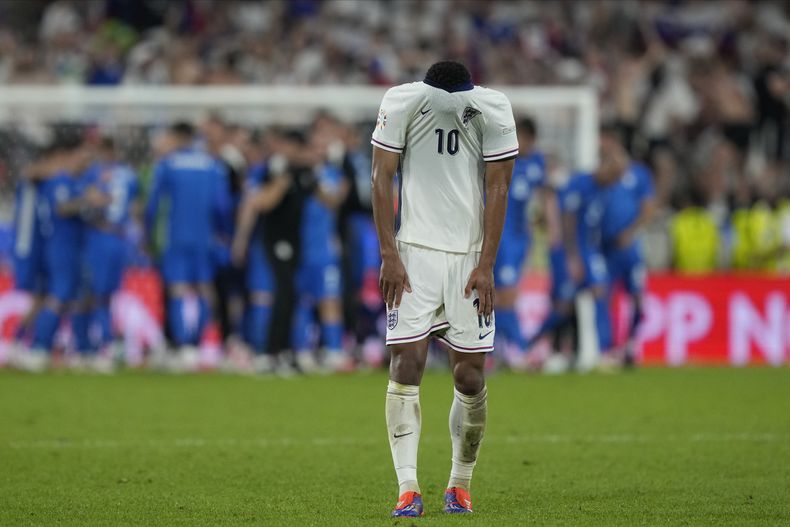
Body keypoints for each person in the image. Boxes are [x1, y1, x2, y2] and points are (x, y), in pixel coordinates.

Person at [371, 61, 517, 516]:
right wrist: (390, 254)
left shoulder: (492, 107)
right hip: (414, 252)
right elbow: (381, 177)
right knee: (405, 363)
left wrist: (486, 265)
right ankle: (408, 487)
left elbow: (500, 187)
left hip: (469, 258)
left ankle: (460, 483)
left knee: (469, 377)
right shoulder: (401, 100)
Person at [144, 122, 230, 371]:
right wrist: (224, 233)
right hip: (205, 237)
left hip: (176, 236)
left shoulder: (168, 164)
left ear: (178, 137)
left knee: (178, 291)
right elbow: (221, 205)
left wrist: (149, 236)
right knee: (204, 289)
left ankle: (182, 347)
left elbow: (154, 205)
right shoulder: (212, 165)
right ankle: (195, 344)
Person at [71, 137, 139, 372]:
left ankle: (96, 348)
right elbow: (135, 207)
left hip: (99, 237)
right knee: (106, 296)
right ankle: (102, 347)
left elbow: (91, 199)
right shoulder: (129, 174)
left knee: (91, 295)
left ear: (102, 150)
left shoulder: (93, 173)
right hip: (120, 238)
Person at [559, 134, 627, 365]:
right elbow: (567, 220)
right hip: (576, 251)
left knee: (599, 293)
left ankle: (605, 350)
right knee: (563, 304)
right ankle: (531, 346)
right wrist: (572, 257)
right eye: (613, 175)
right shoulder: (580, 183)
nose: (614, 181)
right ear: (604, 167)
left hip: (590, 250)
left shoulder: (604, 189)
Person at [599, 128, 655, 366]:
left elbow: (649, 209)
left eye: (607, 141)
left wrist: (630, 233)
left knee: (638, 297)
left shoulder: (639, 174)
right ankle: (610, 348)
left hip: (630, 249)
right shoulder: (601, 175)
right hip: (606, 248)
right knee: (605, 298)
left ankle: (632, 344)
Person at [492, 117, 546, 364]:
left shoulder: (537, 164)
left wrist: (539, 224)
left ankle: (501, 349)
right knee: (503, 295)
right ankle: (518, 348)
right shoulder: (502, 161)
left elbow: (541, 200)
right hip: (501, 238)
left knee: (507, 295)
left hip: (520, 239)